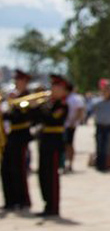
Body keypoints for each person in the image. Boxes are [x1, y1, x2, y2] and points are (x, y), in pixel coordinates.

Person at [35, 74, 70, 217]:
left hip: (54, 142)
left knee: (52, 176)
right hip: (44, 141)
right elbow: (36, 119)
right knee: (43, 174)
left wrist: (40, 106)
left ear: (62, 89)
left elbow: (51, 119)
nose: (52, 89)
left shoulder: (63, 105)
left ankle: (53, 206)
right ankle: (46, 204)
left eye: (56, 87)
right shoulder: (48, 103)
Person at [2, 69, 33, 210]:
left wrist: (12, 105)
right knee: (6, 168)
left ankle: (22, 199)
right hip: (10, 136)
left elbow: (22, 116)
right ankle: (10, 200)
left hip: (20, 135)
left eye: (19, 80)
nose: (16, 82)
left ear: (25, 82)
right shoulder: (13, 97)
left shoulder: (27, 97)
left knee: (19, 169)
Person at [89, 83, 110, 172]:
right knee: (99, 145)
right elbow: (90, 110)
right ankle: (99, 164)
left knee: (106, 146)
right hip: (100, 125)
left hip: (108, 126)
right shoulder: (97, 102)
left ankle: (105, 164)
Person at [63, 85, 85, 173]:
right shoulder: (66, 97)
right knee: (65, 145)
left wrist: (73, 122)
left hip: (70, 125)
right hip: (65, 125)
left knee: (69, 144)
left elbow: (80, 110)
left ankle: (70, 164)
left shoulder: (76, 98)